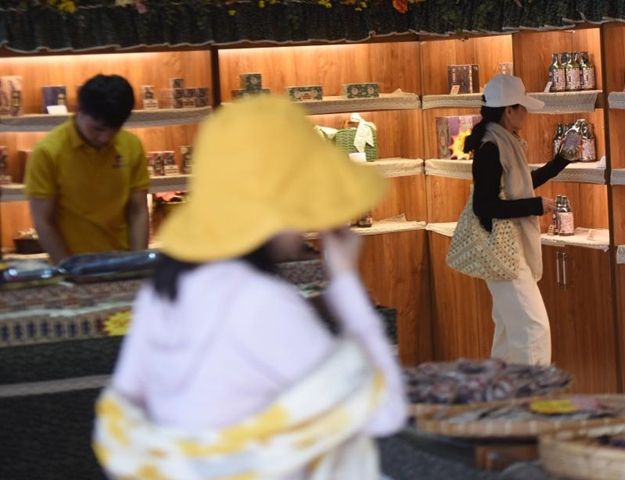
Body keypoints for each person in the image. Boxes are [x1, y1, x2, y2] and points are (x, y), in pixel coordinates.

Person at [93, 96, 407, 480]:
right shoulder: (261, 303)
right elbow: (384, 411)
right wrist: (344, 281)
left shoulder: (162, 291)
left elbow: (124, 415)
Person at [464, 74, 579, 366]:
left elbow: (521, 185)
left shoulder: (503, 142)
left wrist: (560, 161)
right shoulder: (492, 147)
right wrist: (535, 205)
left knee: (507, 328)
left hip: (505, 248)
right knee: (533, 328)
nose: (526, 113)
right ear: (509, 110)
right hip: (503, 249)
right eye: (523, 107)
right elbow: (484, 205)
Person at [25, 74, 150, 264]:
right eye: (97, 129)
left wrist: (137, 263)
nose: (105, 138)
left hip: (123, 261)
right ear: (78, 111)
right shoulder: (47, 152)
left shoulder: (131, 145)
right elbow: (43, 221)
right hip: (74, 263)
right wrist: (68, 269)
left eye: (114, 130)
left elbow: (138, 211)